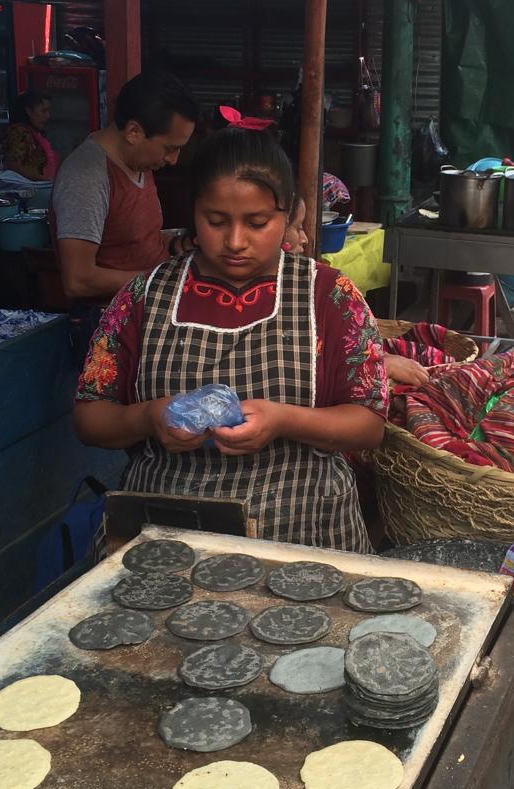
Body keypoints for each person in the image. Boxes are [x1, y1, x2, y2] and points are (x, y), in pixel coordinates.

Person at [73, 123, 388, 552]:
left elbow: (368, 425)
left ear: (289, 213)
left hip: (303, 532)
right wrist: (148, 418)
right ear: (193, 212)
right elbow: (90, 419)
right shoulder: (142, 296)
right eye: (216, 221)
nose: (236, 242)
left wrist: (282, 420)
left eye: (257, 223)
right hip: (169, 535)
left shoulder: (330, 296)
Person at [51, 70, 199, 302]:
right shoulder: (86, 177)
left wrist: (178, 243)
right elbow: (78, 280)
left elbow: (132, 241)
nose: (173, 160)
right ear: (133, 132)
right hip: (111, 322)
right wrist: (161, 280)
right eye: (169, 148)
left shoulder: (140, 162)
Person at [282, 192, 428, 387]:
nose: (305, 239)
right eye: (298, 227)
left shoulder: (320, 285)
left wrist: (379, 359)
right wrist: (377, 365)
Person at [1, 90, 59, 181]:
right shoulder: (18, 133)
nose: (48, 116)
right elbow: (16, 167)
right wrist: (46, 180)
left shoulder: (36, 134)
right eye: (43, 111)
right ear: (29, 111)